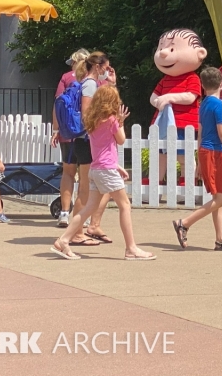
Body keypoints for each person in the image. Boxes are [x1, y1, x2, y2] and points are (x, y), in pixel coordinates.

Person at [51, 84, 154, 261]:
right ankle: (131, 248)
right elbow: (120, 141)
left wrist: (116, 166)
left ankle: (64, 240)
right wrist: (120, 122)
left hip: (96, 168)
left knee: (89, 208)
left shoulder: (92, 121)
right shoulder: (112, 120)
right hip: (105, 169)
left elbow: (101, 148)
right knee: (125, 205)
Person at [172, 67, 222, 251]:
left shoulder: (203, 104)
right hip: (215, 152)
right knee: (221, 199)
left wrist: (198, 159)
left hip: (205, 151)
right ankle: (185, 223)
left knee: (217, 197)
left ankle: (221, 239)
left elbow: (201, 133)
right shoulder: (220, 105)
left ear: (203, 86)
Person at [64, 52, 114, 247]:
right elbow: (87, 113)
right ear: (98, 67)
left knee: (98, 187)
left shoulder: (89, 83)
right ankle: (77, 233)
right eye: (107, 68)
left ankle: (89, 227)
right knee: (85, 189)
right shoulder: (90, 84)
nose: (107, 71)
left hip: (83, 140)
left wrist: (110, 84)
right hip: (86, 141)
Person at [150, 29, 207, 182]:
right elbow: (154, 97)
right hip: (162, 123)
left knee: (183, 154)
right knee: (160, 154)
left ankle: (187, 180)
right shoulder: (165, 79)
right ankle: (156, 180)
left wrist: (168, 98)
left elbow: (190, 97)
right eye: (161, 48)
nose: (163, 53)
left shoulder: (192, 78)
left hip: (183, 123)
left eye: (172, 49)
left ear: (200, 53)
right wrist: (159, 101)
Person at [51, 48, 90, 226]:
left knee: (68, 172)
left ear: (74, 62)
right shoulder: (93, 78)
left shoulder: (66, 78)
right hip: (86, 134)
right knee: (85, 176)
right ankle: (82, 215)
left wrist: (56, 130)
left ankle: (64, 213)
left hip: (68, 134)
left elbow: (58, 103)